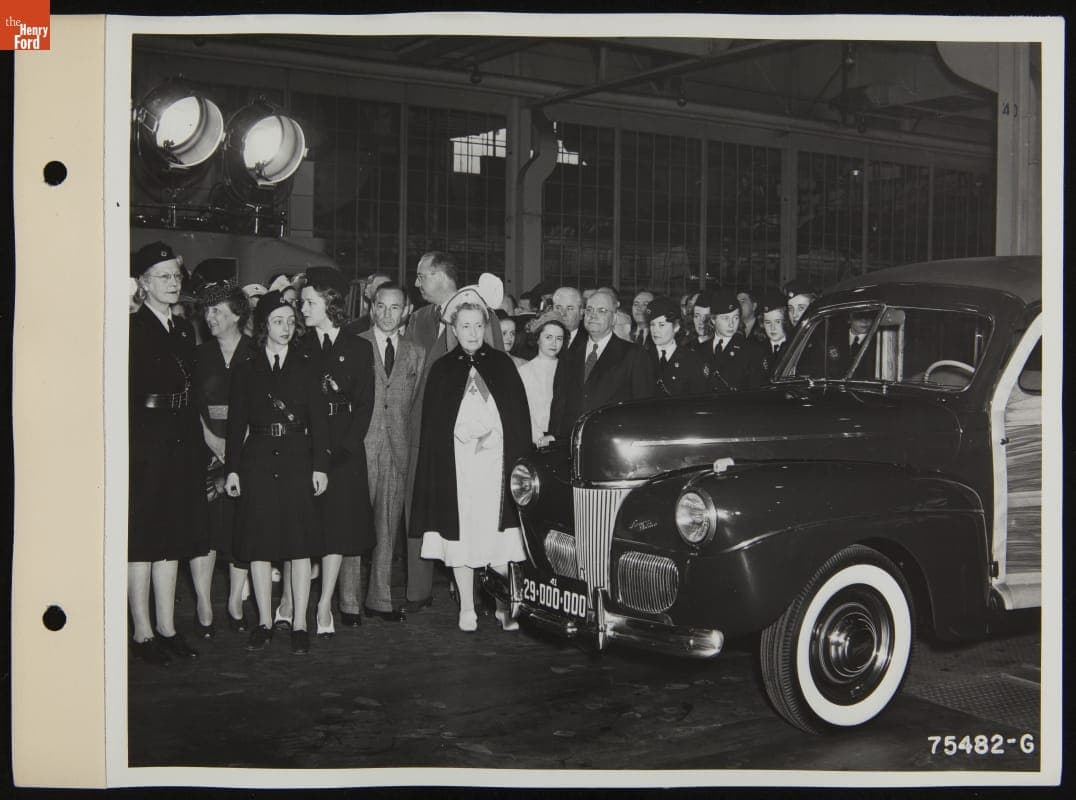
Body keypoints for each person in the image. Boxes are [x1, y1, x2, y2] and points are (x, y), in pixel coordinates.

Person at [412, 301, 531, 632]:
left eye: (478, 326)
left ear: (486, 327)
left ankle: (503, 605)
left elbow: (517, 420)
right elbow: (435, 427)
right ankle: (467, 606)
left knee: (499, 538)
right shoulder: (442, 369)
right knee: (462, 537)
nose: (473, 333)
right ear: (454, 329)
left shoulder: (503, 366)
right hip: (459, 469)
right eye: (465, 326)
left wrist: (496, 436)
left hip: (496, 467)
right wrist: (460, 435)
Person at [224, 291, 330, 655]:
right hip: (257, 462)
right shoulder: (246, 370)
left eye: (290, 321)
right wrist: (233, 470)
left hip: (298, 459)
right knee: (259, 545)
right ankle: (264, 622)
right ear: (263, 326)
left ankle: (300, 622)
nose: (285, 328)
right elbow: (237, 424)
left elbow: (319, 422)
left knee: (299, 547)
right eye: (277, 321)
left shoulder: (307, 365)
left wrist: (319, 467)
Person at [402, 252, 504, 613]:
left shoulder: (480, 314)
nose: (416, 283)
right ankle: (418, 590)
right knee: (419, 503)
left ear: (442, 276)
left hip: (469, 433)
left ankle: (472, 592)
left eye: (421, 275)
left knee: (471, 507)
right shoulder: (418, 319)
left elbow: (495, 372)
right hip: (422, 428)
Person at [128, 241, 209, 664]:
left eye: (176, 276)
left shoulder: (181, 328)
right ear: (143, 284)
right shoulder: (132, 326)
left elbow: (191, 390)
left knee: (173, 537)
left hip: (179, 438)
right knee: (144, 539)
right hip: (145, 439)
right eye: (164, 277)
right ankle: (141, 632)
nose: (174, 283)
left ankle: (167, 627)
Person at [286, 266, 376, 640]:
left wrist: (348, 447)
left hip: (344, 445)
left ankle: (324, 604)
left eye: (309, 302)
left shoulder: (358, 347)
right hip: (306, 443)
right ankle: (296, 605)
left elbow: (365, 403)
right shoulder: (298, 346)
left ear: (330, 303)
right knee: (305, 528)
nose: (302, 309)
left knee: (339, 528)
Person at [338, 282, 425, 624]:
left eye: (395, 307)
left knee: (387, 527)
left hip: (397, 449)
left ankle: (380, 599)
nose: (387, 314)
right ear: (372, 308)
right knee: (353, 526)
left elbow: (414, 403)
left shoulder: (415, 352)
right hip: (360, 447)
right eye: (381, 306)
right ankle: (348, 603)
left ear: (406, 311)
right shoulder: (353, 346)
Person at [191, 280, 256, 636]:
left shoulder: (255, 353)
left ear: (236, 315)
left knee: (239, 527)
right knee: (205, 529)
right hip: (206, 452)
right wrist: (212, 440)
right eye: (207, 310)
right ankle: (203, 603)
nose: (209, 316)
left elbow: (260, 406)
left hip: (246, 453)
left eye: (217, 311)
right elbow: (194, 407)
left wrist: (235, 448)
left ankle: (234, 601)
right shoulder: (199, 356)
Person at [547, 289, 656, 442]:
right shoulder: (569, 354)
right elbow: (559, 403)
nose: (593, 315)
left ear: (614, 318)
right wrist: (553, 438)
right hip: (571, 444)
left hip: (613, 444)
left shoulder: (634, 355)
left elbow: (643, 409)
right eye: (590, 310)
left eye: (602, 311)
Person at [517, 311, 569, 444]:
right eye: (548, 337)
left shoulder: (569, 370)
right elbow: (522, 410)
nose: (554, 343)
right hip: (531, 438)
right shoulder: (524, 371)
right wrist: (538, 437)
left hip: (559, 438)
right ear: (537, 338)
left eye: (559, 338)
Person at [647, 296, 708, 397]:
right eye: (652, 324)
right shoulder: (642, 357)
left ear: (676, 327)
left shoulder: (692, 360)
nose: (655, 330)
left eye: (661, 325)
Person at [743, 290, 792, 389]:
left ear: (786, 321)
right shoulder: (755, 349)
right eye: (768, 322)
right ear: (762, 323)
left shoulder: (793, 345)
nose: (772, 328)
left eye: (777, 321)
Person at [703, 289, 748, 393]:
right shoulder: (699, 350)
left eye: (735, 318)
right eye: (725, 318)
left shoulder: (749, 350)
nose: (731, 324)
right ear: (713, 320)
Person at [551, 286, 585, 353]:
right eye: (558, 308)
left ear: (581, 312)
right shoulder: (541, 338)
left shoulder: (589, 341)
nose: (563, 314)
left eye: (570, 308)